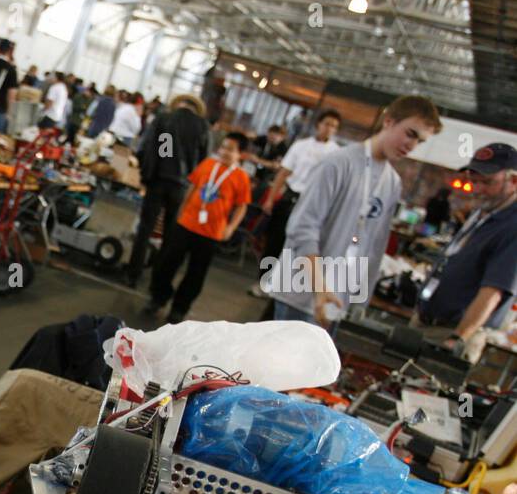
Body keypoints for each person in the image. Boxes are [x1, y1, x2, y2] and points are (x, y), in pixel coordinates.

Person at [271, 95, 442, 325]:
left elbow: (375, 247)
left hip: (337, 300)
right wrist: (320, 287)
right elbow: (303, 227)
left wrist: (359, 301)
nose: (411, 146)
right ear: (389, 121)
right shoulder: (339, 164)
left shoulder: (391, 183)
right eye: (410, 133)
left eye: (420, 141)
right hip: (300, 293)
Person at [415, 144, 517, 350]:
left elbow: (493, 291)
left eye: (487, 182)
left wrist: (458, 338)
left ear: (513, 181)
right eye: (474, 181)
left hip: (452, 334)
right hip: (428, 323)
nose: (477, 190)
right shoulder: (483, 213)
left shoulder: (512, 226)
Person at [146, 131, 252, 323]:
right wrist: (181, 210)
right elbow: (192, 187)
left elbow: (241, 206)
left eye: (231, 149)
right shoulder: (208, 164)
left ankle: (179, 308)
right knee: (166, 263)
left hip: (211, 232)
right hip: (186, 223)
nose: (225, 152)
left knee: (196, 274)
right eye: (223, 147)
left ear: (241, 155)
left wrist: (230, 228)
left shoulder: (241, 178)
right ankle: (158, 298)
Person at [124, 93, 211, 287]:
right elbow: (204, 161)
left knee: (145, 228)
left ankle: (133, 274)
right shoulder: (202, 126)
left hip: (158, 180)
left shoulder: (165, 119)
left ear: (178, 104)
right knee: (170, 235)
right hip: (182, 186)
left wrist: (147, 168)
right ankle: (158, 279)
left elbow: (152, 148)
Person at [258, 108, 341, 285]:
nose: (329, 129)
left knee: (298, 247)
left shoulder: (336, 153)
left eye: (334, 126)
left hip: (313, 202)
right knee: (275, 241)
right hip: (291, 195)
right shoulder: (301, 145)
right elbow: (283, 173)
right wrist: (271, 198)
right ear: (319, 124)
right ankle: (264, 281)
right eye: (327, 124)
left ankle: (282, 284)